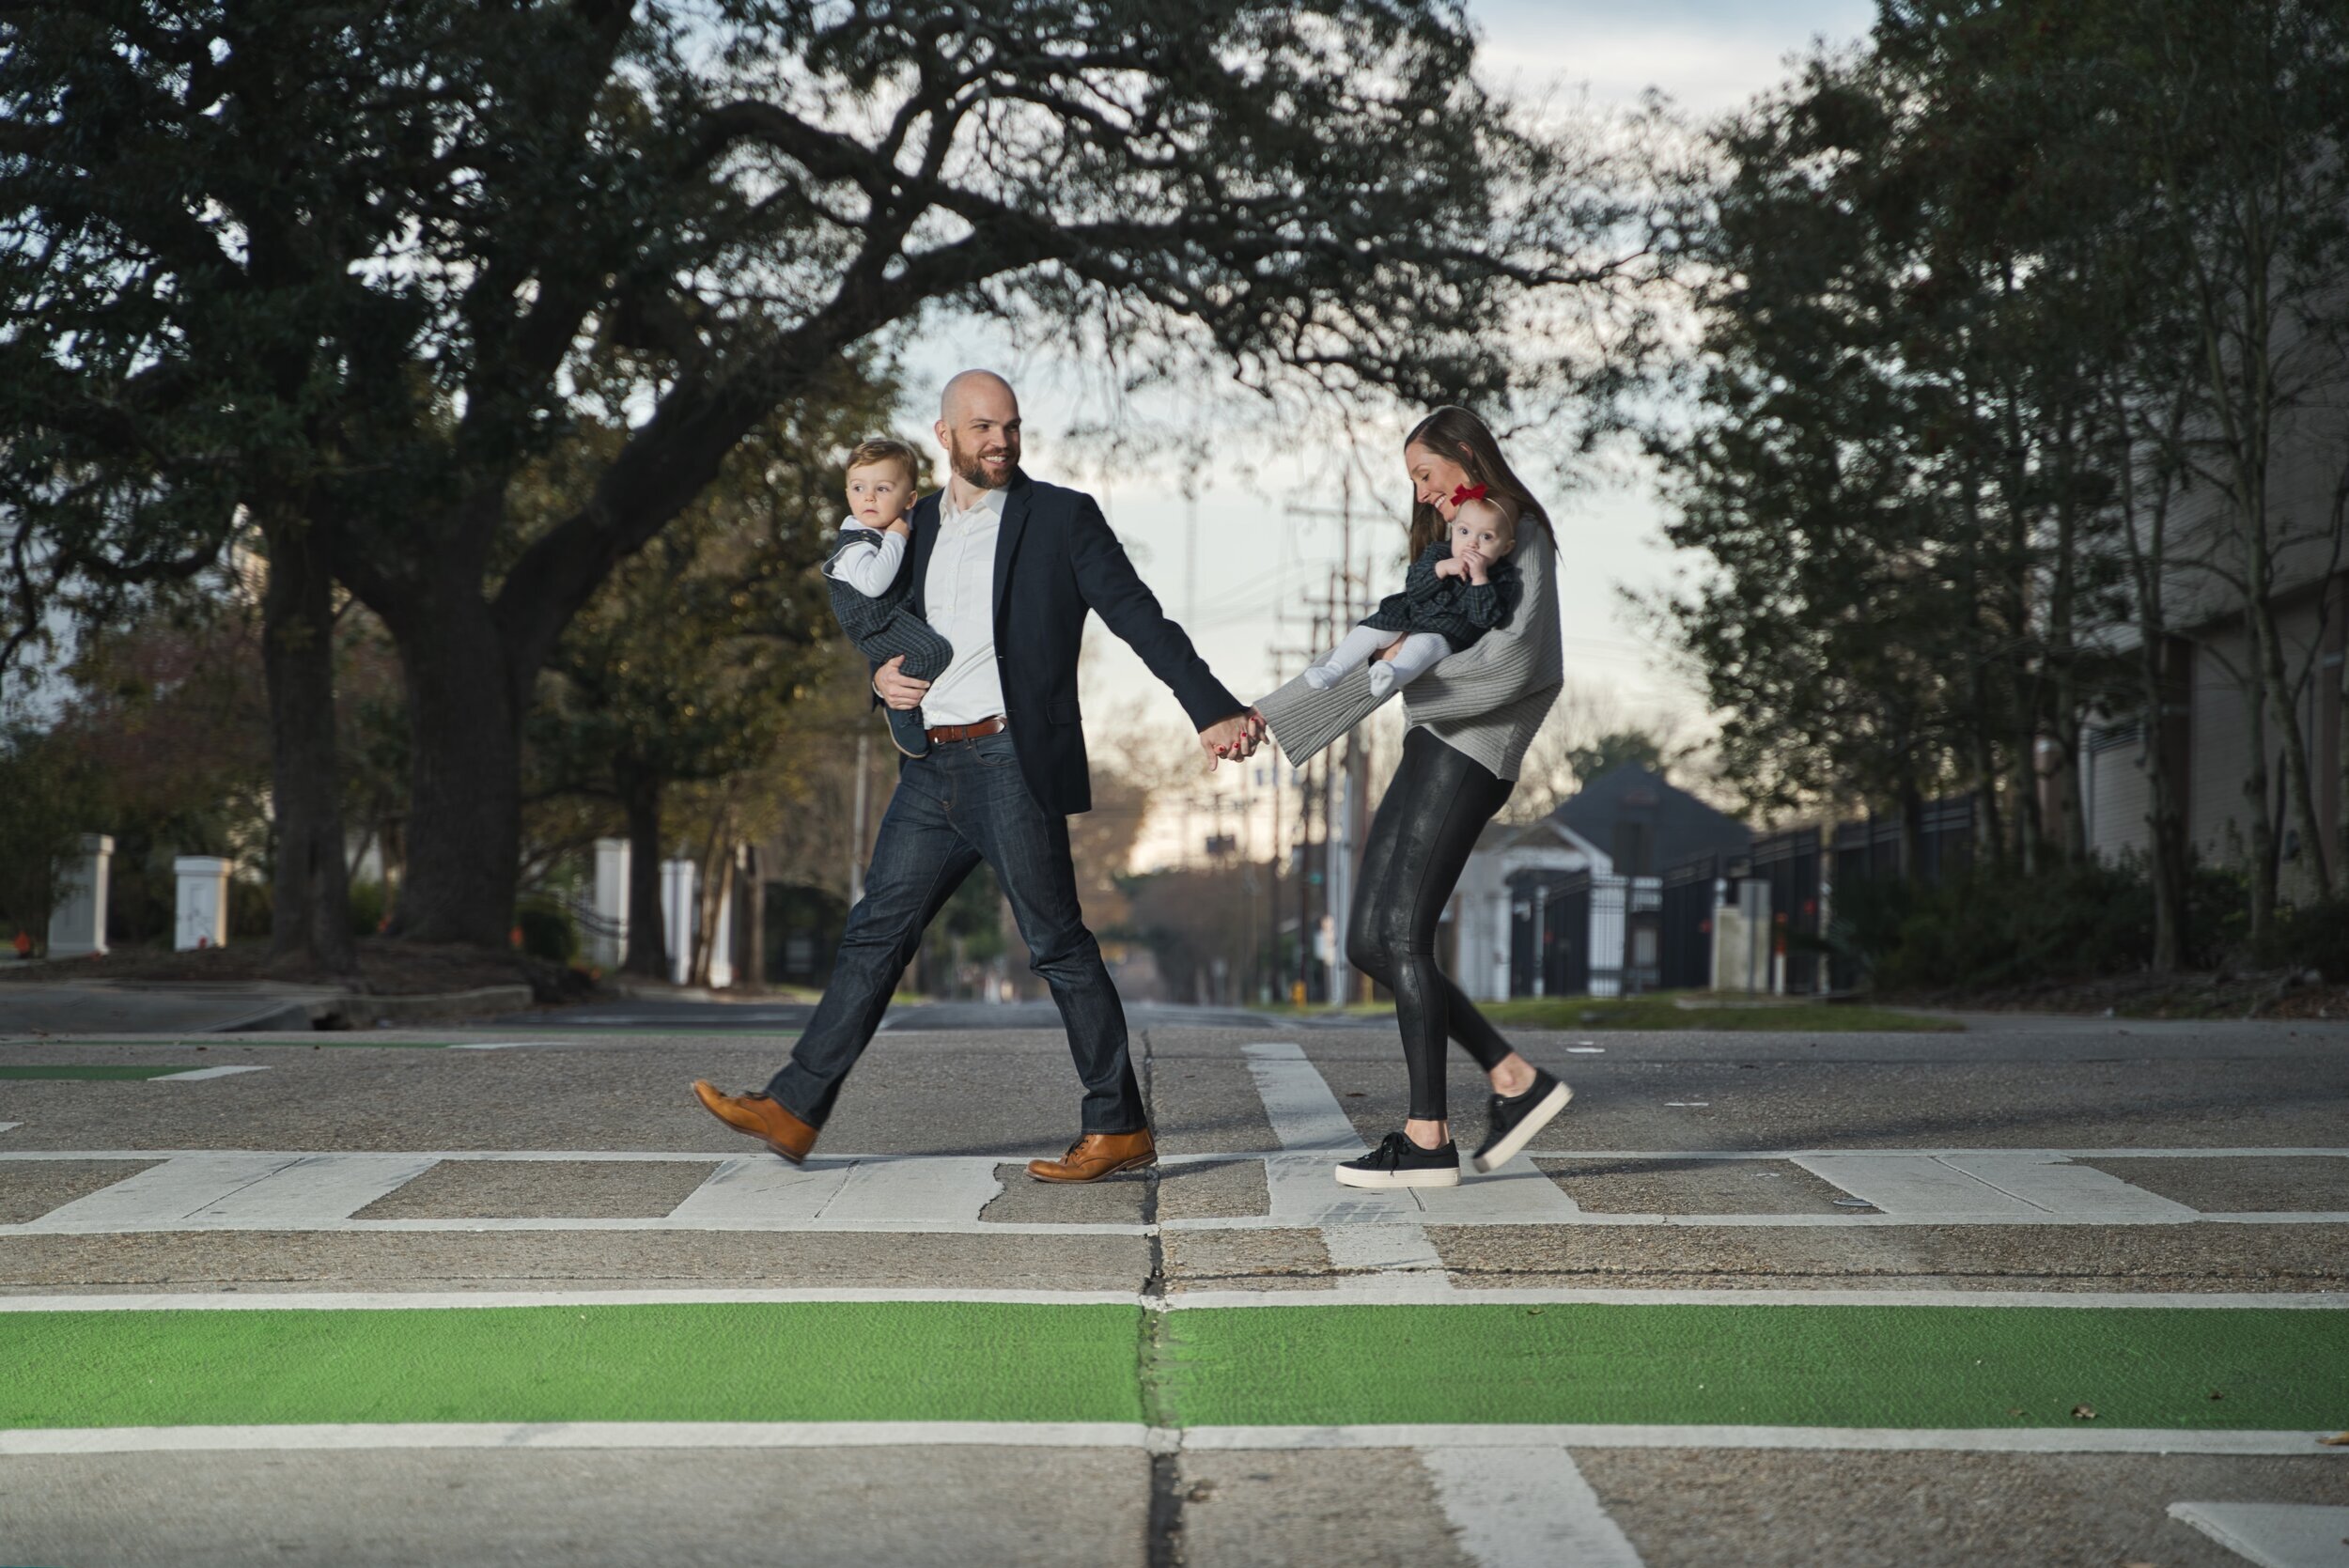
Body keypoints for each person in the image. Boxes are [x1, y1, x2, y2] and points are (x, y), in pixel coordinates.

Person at [692, 370, 1265, 1183]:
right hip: (929, 764)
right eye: (984, 428)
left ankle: (1119, 1125)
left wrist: (1209, 706)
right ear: (946, 435)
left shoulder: (1061, 518)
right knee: (873, 935)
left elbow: (1140, 614)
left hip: (1010, 760)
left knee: (1057, 945)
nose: (1000, 440)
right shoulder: (909, 522)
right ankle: (794, 1106)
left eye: (1011, 426)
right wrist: (881, 678)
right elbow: (879, 623)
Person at [1255, 407, 1572, 1189]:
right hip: (1433, 744)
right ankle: (1514, 1079)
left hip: (1473, 751)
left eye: (1427, 475)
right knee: (1369, 939)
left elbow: (1514, 666)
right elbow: (1385, 655)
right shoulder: (1449, 545)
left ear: (1466, 456)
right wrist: (1271, 715)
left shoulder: (1513, 528)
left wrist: (1407, 669)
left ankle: (1427, 1138)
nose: (1425, 495)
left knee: (1402, 931)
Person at [1303, 488, 1522, 699]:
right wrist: (1441, 569)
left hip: (1446, 634)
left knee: (1425, 645)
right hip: (1407, 616)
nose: (1472, 543)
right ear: (1453, 529)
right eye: (1464, 532)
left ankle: (1392, 675)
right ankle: (1333, 670)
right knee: (1371, 630)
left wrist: (1480, 579)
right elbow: (1414, 587)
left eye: (1486, 537)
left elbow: (1485, 620)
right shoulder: (1438, 553)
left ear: (1505, 548)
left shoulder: (1502, 578)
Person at [822, 437, 949, 758]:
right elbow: (875, 584)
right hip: (874, 624)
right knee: (934, 651)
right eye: (858, 488)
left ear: (909, 499)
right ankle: (901, 709)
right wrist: (896, 536)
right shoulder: (856, 543)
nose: (868, 497)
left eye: (882, 489)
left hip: (894, 614)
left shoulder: (896, 525)